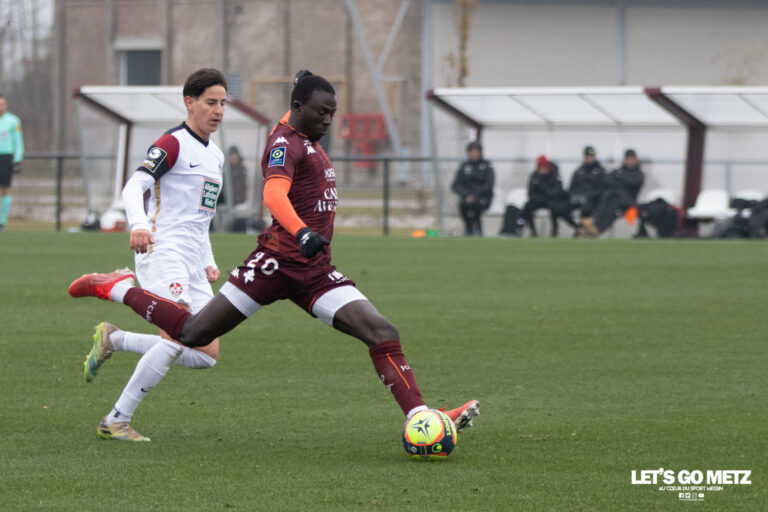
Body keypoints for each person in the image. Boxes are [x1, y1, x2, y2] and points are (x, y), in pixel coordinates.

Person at [69, 72, 479, 439]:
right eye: (321, 112)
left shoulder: (289, 143)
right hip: (275, 264)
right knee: (190, 334)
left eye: (332, 112)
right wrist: (300, 231)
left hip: (313, 272)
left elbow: (201, 214)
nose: (328, 120)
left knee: (382, 332)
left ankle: (422, 418)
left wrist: (209, 254)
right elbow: (273, 193)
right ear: (297, 107)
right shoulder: (282, 143)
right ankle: (118, 290)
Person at [80, 68, 228, 441]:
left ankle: (115, 339)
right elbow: (135, 186)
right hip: (161, 248)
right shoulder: (172, 143)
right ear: (189, 103)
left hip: (193, 257)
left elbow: (201, 216)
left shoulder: (217, 156)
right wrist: (138, 225)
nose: (218, 110)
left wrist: (208, 259)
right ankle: (115, 420)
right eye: (211, 102)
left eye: (223, 103)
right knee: (177, 334)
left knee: (205, 352)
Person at [582, 149, 644, 237]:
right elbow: (607, 180)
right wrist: (621, 180)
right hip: (613, 199)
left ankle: (597, 229)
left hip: (627, 203)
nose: (630, 161)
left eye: (632, 159)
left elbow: (633, 183)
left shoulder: (638, 174)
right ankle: (593, 227)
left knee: (612, 208)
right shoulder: (619, 171)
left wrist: (619, 179)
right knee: (605, 203)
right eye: (628, 159)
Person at [521, 155, 579, 237]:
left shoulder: (555, 175)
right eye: (541, 167)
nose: (543, 169)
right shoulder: (534, 176)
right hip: (539, 200)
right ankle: (533, 232)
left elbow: (557, 192)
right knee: (527, 207)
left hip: (552, 200)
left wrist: (544, 189)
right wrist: (540, 198)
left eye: (544, 167)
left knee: (555, 208)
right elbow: (531, 193)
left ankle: (555, 231)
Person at [451, 141, 494, 236]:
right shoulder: (464, 166)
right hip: (467, 197)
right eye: (471, 151)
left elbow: (489, 185)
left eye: (476, 151)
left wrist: (475, 195)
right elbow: (455, 185)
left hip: (482, 197)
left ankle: (478, 229)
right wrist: (467, 194)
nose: (473, 154)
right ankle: (468, 228)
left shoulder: (487, 166)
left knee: (475, 205)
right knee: (464, 205)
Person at [0, 95, 24, 231]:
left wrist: (17, 159)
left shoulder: (13, 121)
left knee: (5, 189)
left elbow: (19, 141)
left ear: (6, 105)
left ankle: (2, 222)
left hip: (5, 157)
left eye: (2, 104)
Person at [568, 146, 605, 221]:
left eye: (591, 156)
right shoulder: (579, 171)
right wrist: (575, 196)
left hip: (593, 200)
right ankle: (578, 228)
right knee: (560, 207)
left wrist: (588, 196)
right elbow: (572, 187)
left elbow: (601, 189)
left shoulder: (601, 171)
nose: (589, 158)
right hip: (578, 198)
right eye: (587, 156)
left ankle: (584, 229)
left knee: (586, 208)